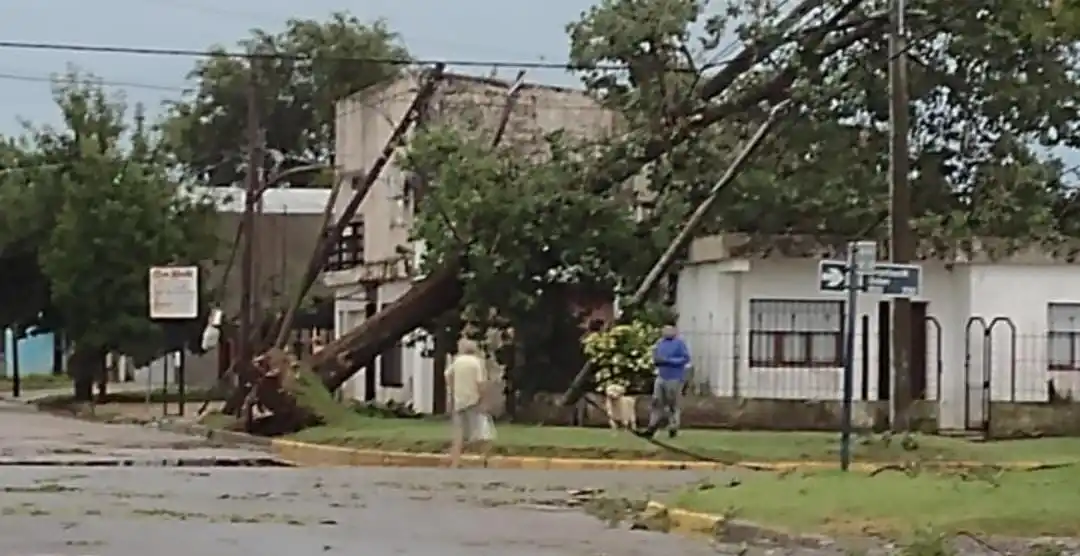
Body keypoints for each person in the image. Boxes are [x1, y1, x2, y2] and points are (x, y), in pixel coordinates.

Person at [445, 339, 496, 468]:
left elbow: (447, 375)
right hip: (473, 400)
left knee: (459, 433)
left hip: (459, 400)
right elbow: (480, 383)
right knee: (482, 431)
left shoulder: (457, 361)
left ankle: (455, 462)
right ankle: (486, 460)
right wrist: (484, 399)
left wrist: (453, 388)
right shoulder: (476, 363)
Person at [640, 324, 691, 439]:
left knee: (673, 403)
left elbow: (685, 358)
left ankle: (673, 426)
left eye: (669, 329)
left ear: (675, 331)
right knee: (656, 401)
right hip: (661, 376)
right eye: (664, 329)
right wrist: (656, 359)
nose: (666, 331)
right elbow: (656, 356)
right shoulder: (660, 343)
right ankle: (652, 427)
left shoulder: (679, 343)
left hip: (675, 377)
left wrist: (668, 361)